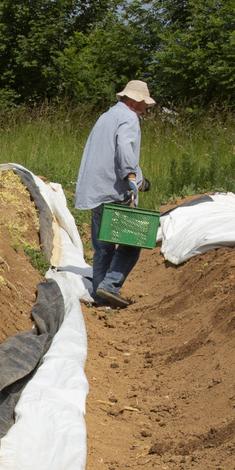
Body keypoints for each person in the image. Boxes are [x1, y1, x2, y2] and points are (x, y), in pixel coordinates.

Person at [74, 79, 153, 308]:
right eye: (144, 105)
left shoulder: (106, 116)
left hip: (95, 188)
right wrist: (132, 177)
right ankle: (109, 286)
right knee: (132, 243)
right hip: (113, 188)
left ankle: (99, 296)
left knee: (103, 246)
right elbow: (124, 147)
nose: (146, 109)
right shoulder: (129, 117)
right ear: (134, 101)